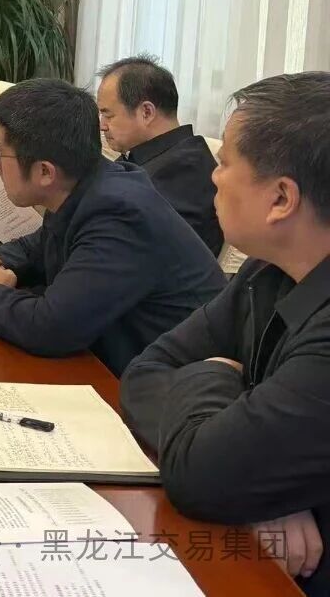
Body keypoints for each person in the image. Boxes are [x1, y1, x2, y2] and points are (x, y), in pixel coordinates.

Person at [122, 73, 330, 593]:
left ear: (281, 198)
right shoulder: (268, 272)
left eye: (225, 163)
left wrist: (213, 378)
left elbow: (200, 477)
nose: (213, 176)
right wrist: (264, 484)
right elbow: (146, 371)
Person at [0, 79, 224, 376]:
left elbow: (51, 328)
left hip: (163, 383)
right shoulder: (84, 185)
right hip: (109, 357)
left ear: (45, 172)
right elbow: (35, 248)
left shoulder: (119, 215)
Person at [97, 55, 223, 256]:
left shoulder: (185, 171)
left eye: (108, 115)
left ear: (146, 112)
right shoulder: (148, 157)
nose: (102, 126)